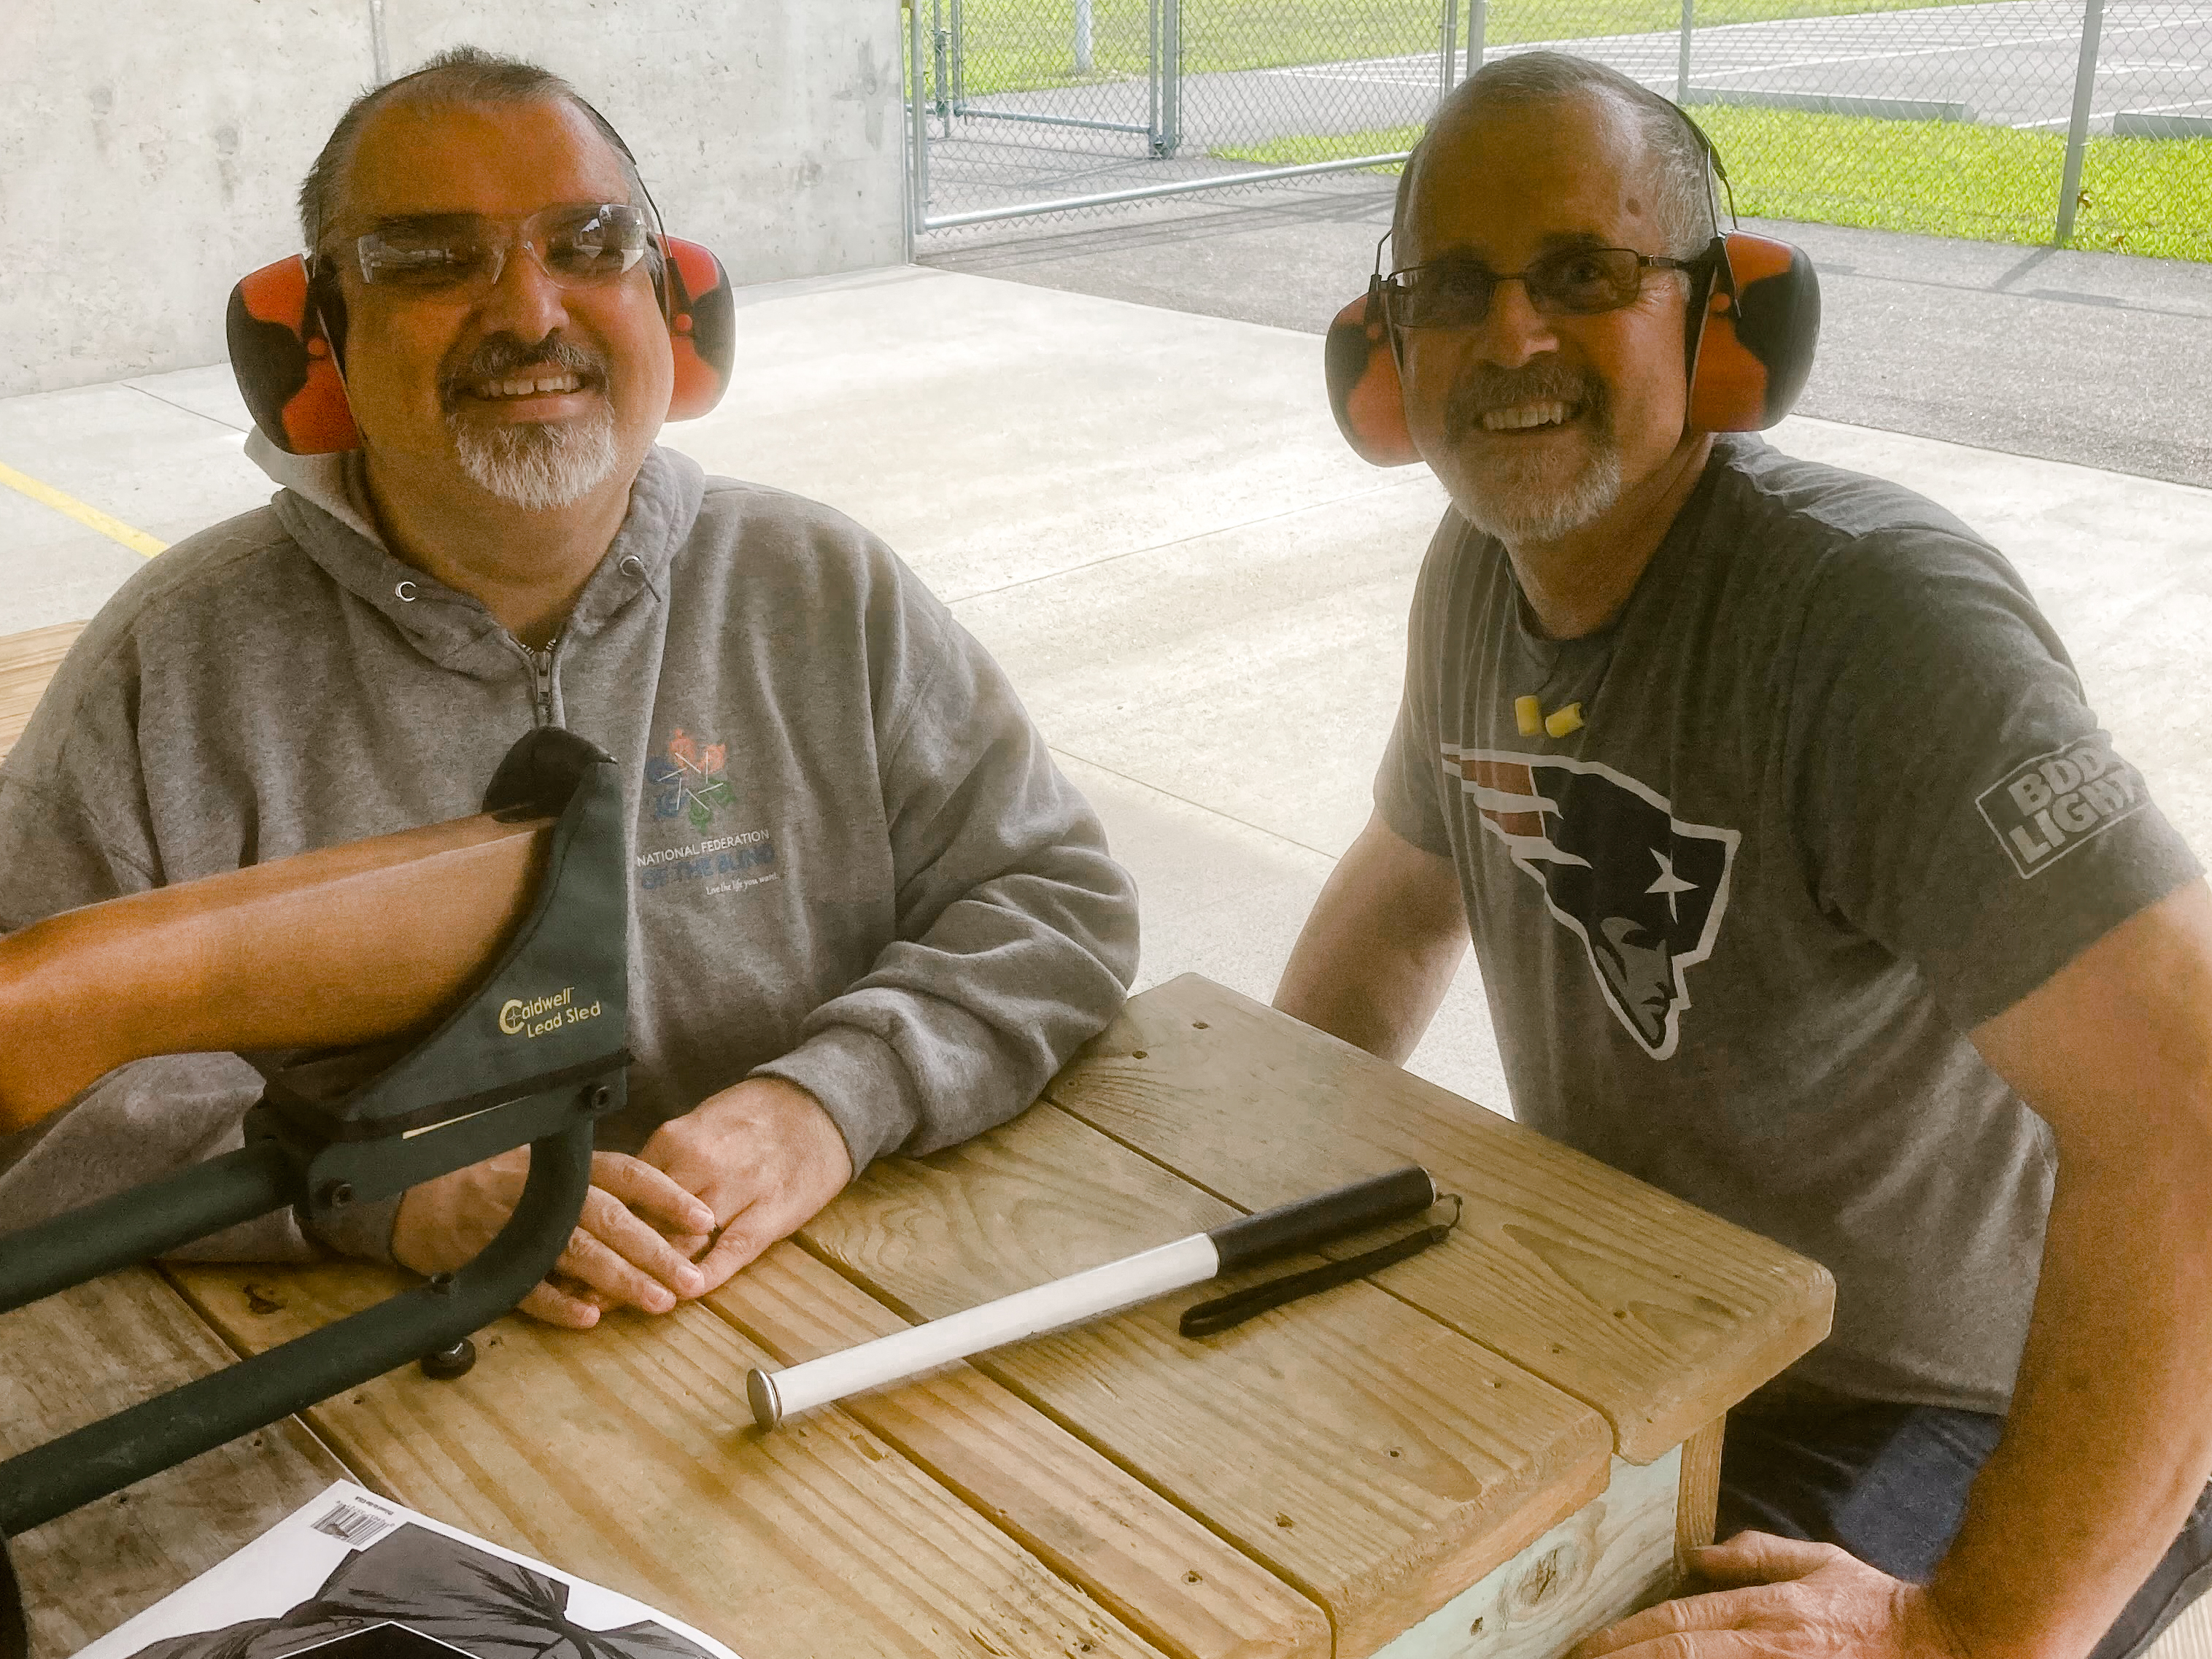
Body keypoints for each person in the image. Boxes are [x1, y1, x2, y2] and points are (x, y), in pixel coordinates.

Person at [1273, 51, 2212, 1659]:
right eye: (1450, 287)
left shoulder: (1874, 626)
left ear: (1720, 324)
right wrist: (1254, 1181)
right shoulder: (1478, 567)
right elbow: (1397, 897)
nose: (1510, 336)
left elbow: (2189, 1110)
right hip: (1683, 1331)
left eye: (1582, 272)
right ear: (1386, 350)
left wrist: (1961, 1632)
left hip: (1955, 1394)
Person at [0, 48, 1138, 1331]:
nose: (530, 312)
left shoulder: (821, 586)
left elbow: (1053, 898)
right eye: (430, 259)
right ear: (319, 336)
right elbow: (32, 1085)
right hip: (365, 1371)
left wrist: (831, 1099)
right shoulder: (172, 665)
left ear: (674, 299)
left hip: (825, 1310)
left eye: (590, 243)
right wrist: (380, 1189)